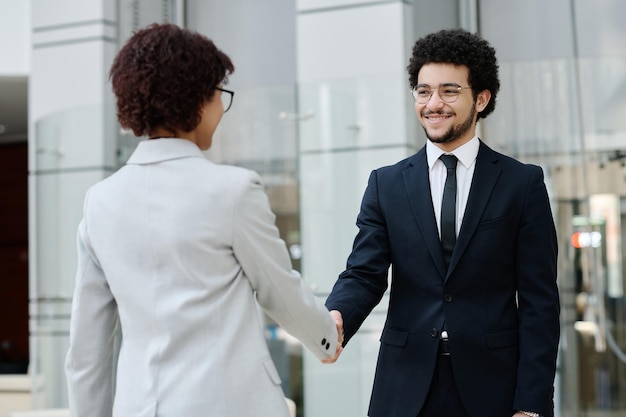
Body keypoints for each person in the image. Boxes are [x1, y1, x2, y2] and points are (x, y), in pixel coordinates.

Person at [65, 23, 341, 417]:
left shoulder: (100, 202)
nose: (220, 110)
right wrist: (326, 338)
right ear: (195, 100)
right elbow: (279, 290)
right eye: (219, 95)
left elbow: (87, 350)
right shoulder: (233, 190)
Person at [325, 28, 560, 417]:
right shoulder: (386, 184)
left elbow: (539, 303)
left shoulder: (522, 184)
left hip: (495, 388)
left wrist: (532, 403)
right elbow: (363, 274)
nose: (433, 103)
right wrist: (336, 317)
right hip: (405, 386)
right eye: (423, 91)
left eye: (449, 91)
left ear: (480, 99)